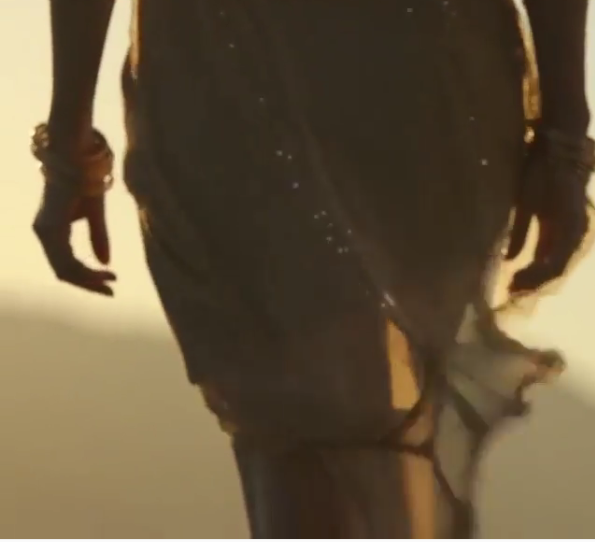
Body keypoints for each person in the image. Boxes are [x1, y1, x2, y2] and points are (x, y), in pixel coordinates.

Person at [30, 0, 593, 538]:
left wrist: (68, 146)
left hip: (308, 70)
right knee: (322, 419)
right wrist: (564, 138)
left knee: (321, 420)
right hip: (308, 68)